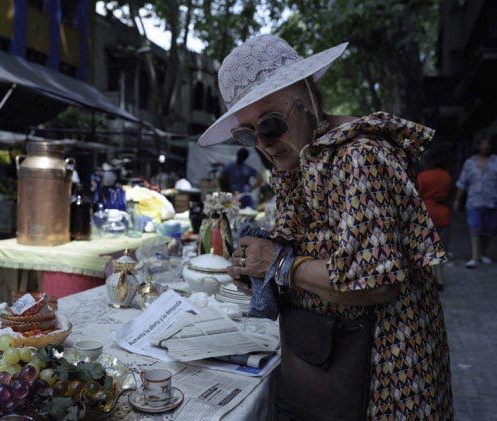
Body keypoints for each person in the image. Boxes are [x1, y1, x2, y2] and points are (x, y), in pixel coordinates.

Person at [198, 35, 452, 419]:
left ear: (308, 95)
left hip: (382, 377)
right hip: (338, 367)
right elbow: (310, 259)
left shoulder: (359, 157)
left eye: (270, 123)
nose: (264, 144)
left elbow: (375, 282)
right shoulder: (304, 161)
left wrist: (280, 267)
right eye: (249, 134)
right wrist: (261, 272)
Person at [454, 136, 497, 268]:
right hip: (474, 202)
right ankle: (474, 257)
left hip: (492, 201)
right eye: (483, 144)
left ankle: (482, 254)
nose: (486, 146)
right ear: (478, 146)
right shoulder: (470, 163)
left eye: (488, 144)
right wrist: (457, 199)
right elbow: (462, 182)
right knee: (475, 228)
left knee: (490, 230)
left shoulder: (495, 161)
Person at [417, 150, 453, 290]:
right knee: (441, 249)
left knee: (427, 248)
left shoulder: (423, 176)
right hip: (443, 214)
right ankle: (440, 279)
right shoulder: (447, 176)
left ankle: (427, 280)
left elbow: (417, 195)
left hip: (427, 213)